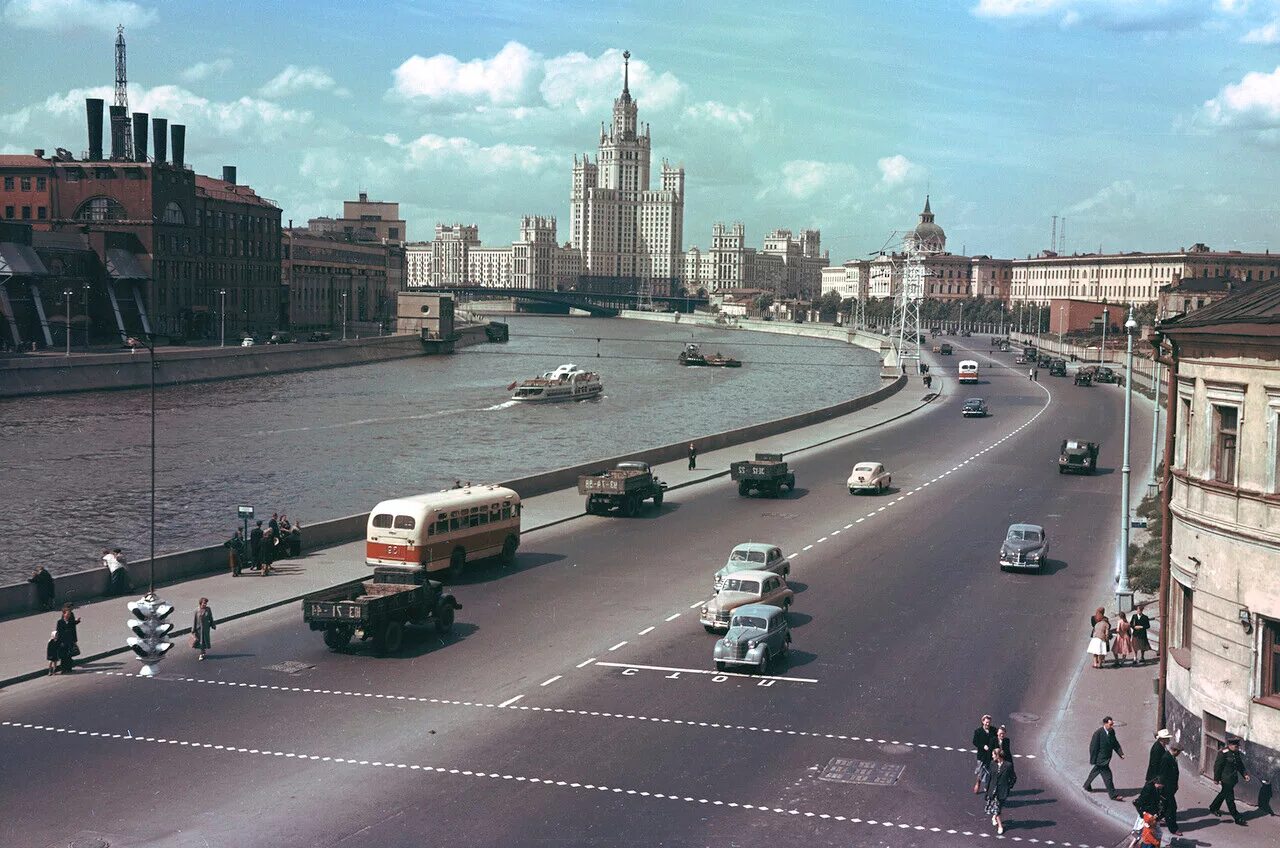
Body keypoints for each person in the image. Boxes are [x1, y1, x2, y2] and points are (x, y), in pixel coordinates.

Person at [1209, 737, 1250, 825]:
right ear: (1230, 745)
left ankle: (1213, 807)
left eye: (1238, 746)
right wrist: (1216, 778)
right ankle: (1237, 817)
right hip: (1226, 779)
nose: (1237, 748)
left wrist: (1245, 774)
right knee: (1230, 799)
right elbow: (1217, 767)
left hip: (1233, 779)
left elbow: (1240, 765)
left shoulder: (1236, 753)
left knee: (1223, 793)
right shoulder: (1223, 753)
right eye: (1236, 746)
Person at [1084, 715, 1124, 800]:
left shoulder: (1112, 732)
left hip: (1106, 758)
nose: (1112, 726)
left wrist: (1120, 753)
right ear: (1105, 724)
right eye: (1110, 724)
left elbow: (1115, 743)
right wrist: (1093, 760)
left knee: (1095, 772)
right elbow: (1093, 747)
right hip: (1101, 760)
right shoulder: (1098, 733)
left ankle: (1086, 785)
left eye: (1112, 724)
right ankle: (1113, 795)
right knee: (1108, 777)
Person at [986, 747, 1015, 835]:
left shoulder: (1008, 765)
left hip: (1002, 791)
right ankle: (1000, 826)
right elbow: (990, 777)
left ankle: (994, 816)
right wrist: (987, 789)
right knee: (997, 808)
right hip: (993, 790)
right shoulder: (992, 764)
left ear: (998, 755)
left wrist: (1009, 786)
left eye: (993, 755)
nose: (992, 757)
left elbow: (1013, 778)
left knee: (999, 806)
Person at [1159, 745, 1183, 836]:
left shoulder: (1172, 757)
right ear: (1175, 751)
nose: (1179, 754)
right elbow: (1162, 774)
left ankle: (1155, 820)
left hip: (1171, 788)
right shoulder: (1166, 758)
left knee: (1164, 807)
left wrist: (1175, 785)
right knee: (1172, 808)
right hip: (1167, 789)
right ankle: (1173, 828)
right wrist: (1163, 788)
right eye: (1179, 752)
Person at [972, 714, 999, 794]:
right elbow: (975, 742)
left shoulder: (994, 730)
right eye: (986, 722)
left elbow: (997, 739)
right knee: (981, 770)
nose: (988, 724)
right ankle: (978, 783)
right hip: (982, 755)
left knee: (990, 771)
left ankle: (987, 786)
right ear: (983, 722)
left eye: (989, 722)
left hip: (991, 755)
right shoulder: (978, 731)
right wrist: (983, 746)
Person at [54, 603, 80, 674]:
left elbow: (72, 625)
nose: (69, 615)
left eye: (69, 614)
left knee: (69, 655)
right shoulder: (60, 622)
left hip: (69, 640)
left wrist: (77, 621)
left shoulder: (69, 621)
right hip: (63, 641)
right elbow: (58, 631)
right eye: (67, 614)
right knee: (63, 656)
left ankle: (69, 668)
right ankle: (64, 669)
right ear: (64, 614)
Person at [191, 597, 216, 661]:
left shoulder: (208, 609)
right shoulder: (196, 610)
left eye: (206, 603)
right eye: (204, 603)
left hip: (206, 628)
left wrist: (213, 625)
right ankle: (202, 653)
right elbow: (194, 620)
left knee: (204, 640)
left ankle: (202, 652)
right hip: (199, 629)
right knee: (200, 641)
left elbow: (211, 617)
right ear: (200, 603)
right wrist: (193, 630)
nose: (205, 605)